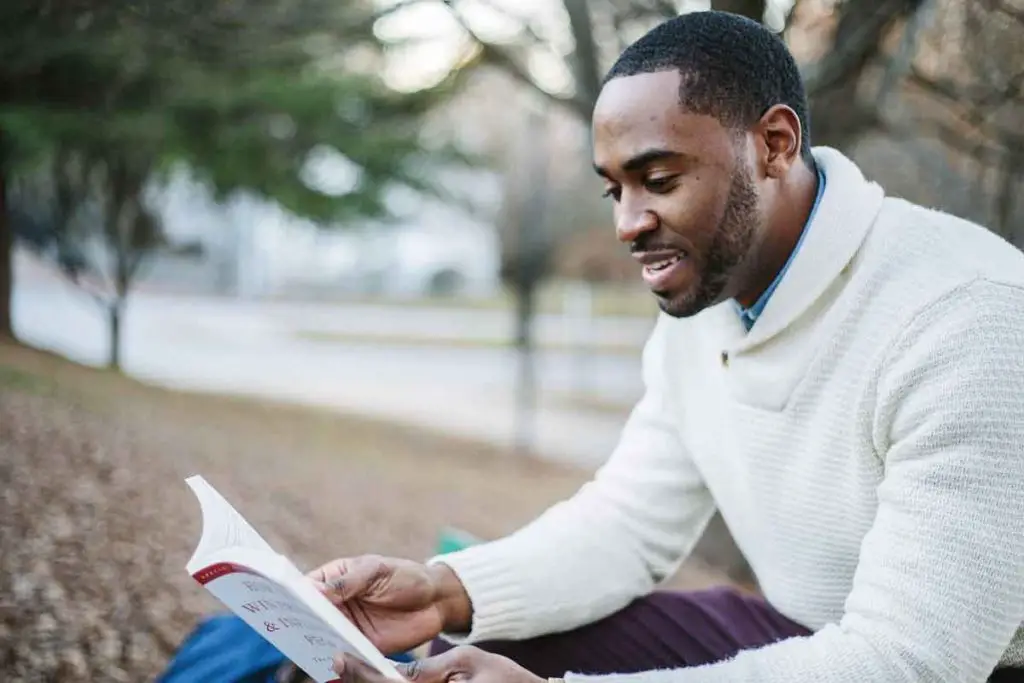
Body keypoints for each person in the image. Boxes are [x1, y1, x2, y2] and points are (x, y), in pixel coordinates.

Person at [309, 10, 1024, 683]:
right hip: (807, 630)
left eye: (658, 181)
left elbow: (908, 664)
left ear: (774, 144)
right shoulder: (709, 301)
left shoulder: (967, 318)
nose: (628, 223)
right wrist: (445, 590)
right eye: (613, 190)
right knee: (481, 644)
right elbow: (626, 523)